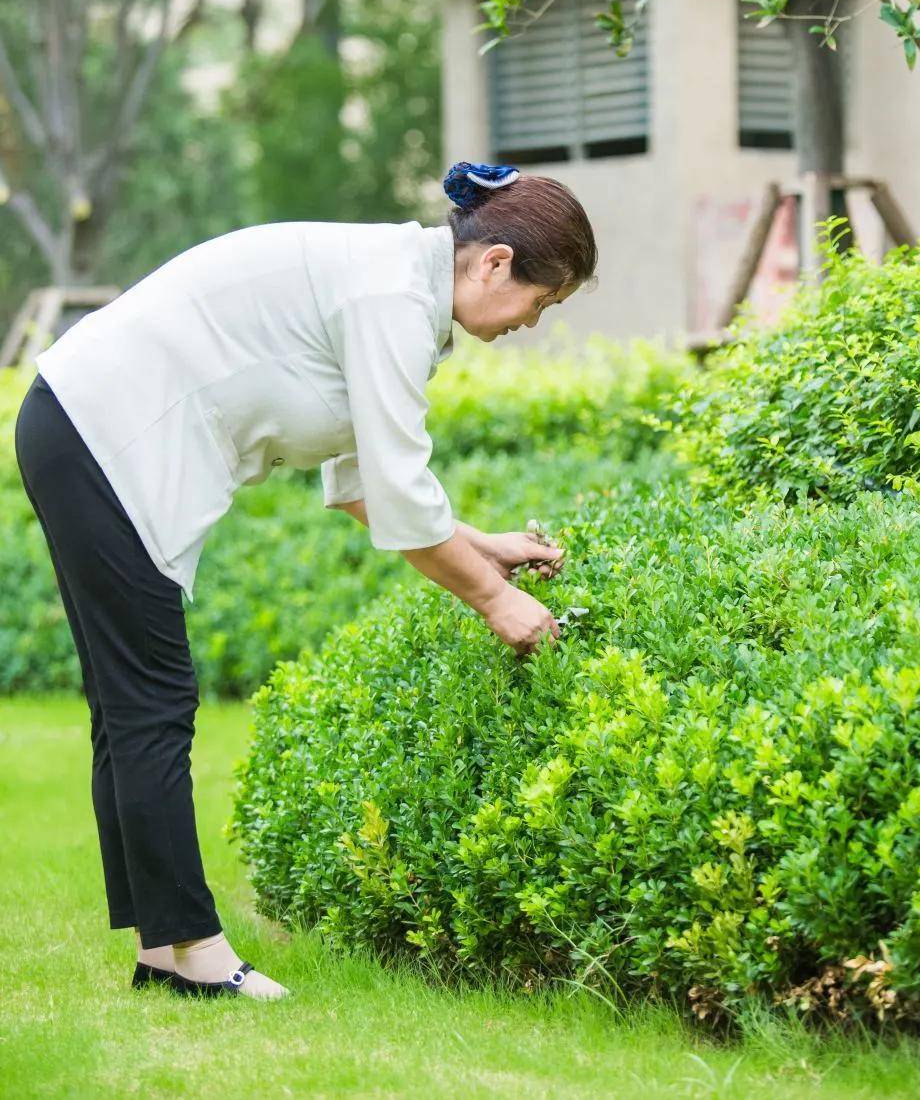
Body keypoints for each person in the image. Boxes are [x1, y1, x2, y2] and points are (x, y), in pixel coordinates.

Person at [14, 159, 597, 1002]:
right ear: (495, 263)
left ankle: (164, 950)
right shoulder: (391, 299)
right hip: (104, 434)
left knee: (130, 705)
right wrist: (497, 600)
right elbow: (397, 496)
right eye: (541, 304)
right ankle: (199, 955)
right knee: (153, 703)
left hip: (82, 426)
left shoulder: (405, 295)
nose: (531, 324)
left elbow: (360, 486)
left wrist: (482, 546)